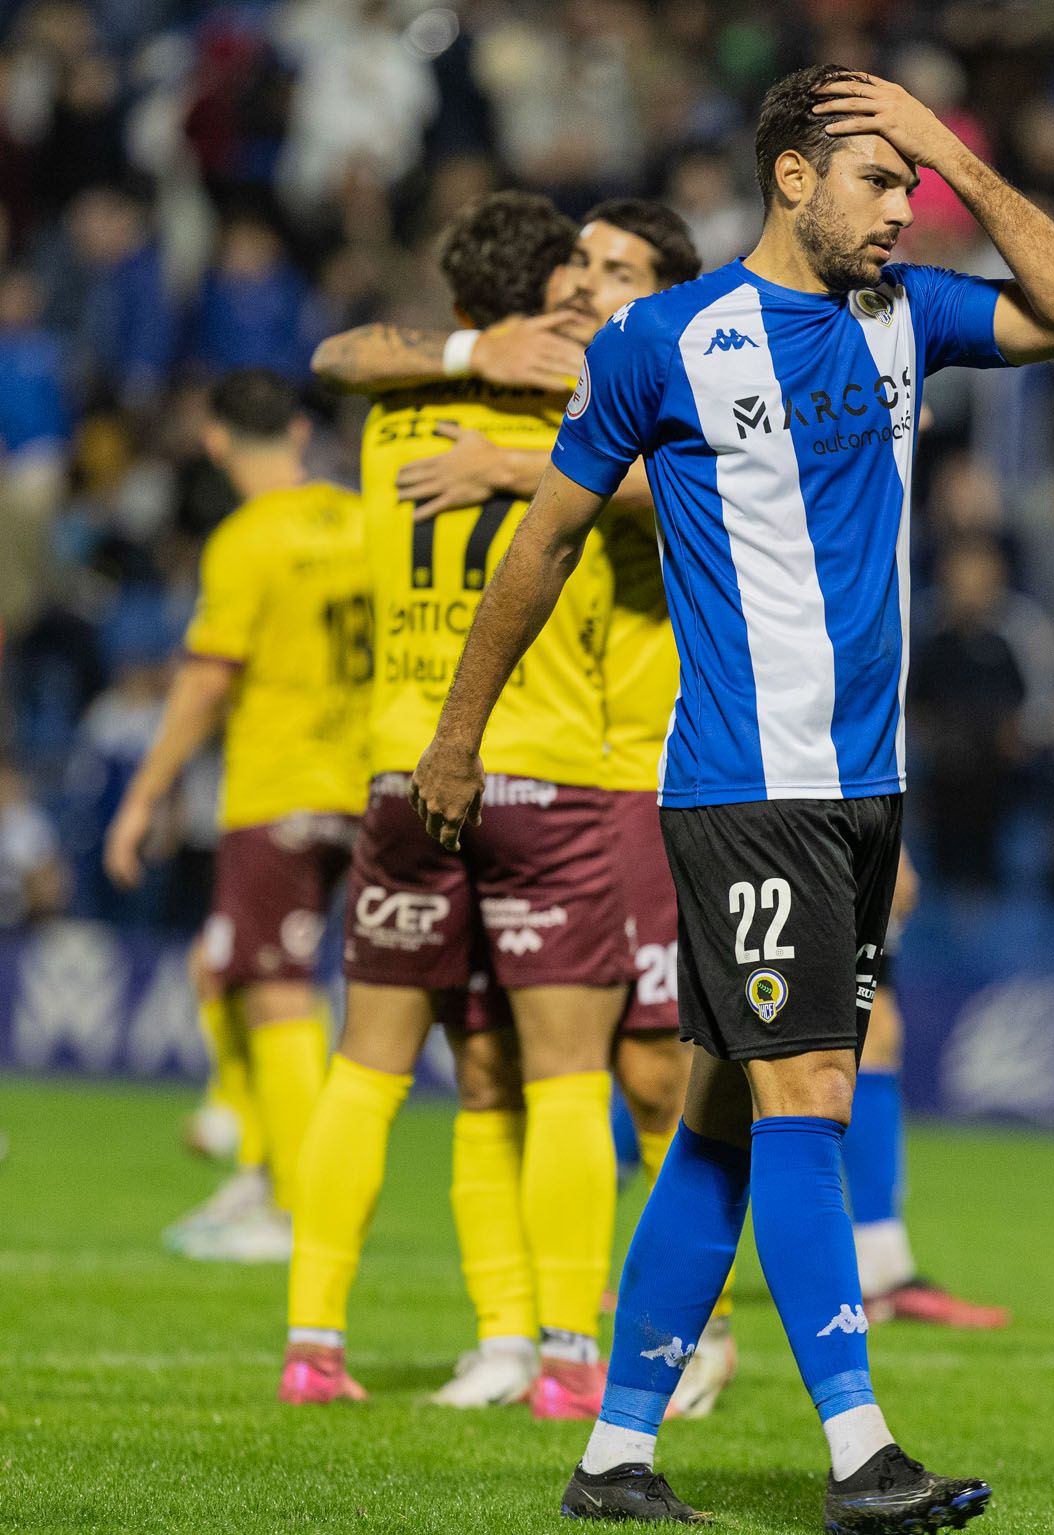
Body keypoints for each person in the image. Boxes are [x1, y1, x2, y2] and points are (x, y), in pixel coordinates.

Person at [412, 63, 1054, 1531]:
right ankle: (863, 1455)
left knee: (726, 1122)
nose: (901, 207)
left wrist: (958, 162)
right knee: (813, 1093)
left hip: (864, 789)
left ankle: (614, 1452)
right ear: (791, 176)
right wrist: (458, 736)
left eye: (911, 185)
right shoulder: (667, 342)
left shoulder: (908, 315)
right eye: (879, 179)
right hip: (748, 785)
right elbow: (538, 544)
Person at [322, 200, 740, 1415]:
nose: (582, 286)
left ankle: (691, 1325)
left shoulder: (687, 379)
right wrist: (473, 358)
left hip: (671, 769)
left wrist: (529, 471)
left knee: (658, 1073)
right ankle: (518, 1334)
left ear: (661, 294)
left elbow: (711, 497)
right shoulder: (542, 381)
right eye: (578, 264)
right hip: (562, 775)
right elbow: (342, 355)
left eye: (614, 270)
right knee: (498, 1059)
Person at [282, 192, 628, 1418]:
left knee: (375, 1069)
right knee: (567, 1077)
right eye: (576, 280)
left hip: (397, 769)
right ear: (547, 295)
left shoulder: (393, 405)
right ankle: (569, 1357)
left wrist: (465, 350)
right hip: (544, 766)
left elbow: (336, 352)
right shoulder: (585, 396)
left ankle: (314, 1339)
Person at [102, 370, 367, 1263]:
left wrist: (143, 798)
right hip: (371, 783)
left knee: (273, 988)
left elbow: (207, 681)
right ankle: (253, 1159)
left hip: (278, 787)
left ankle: (289, 1203)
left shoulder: (244, 541)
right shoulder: (368, 519)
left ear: (215, 441)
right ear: (298, 430)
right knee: (220, 967)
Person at [848, 848, 1008, 1328]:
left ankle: (882, 1263)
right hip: (821, 812)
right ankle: (880, 1269)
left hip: (837, 810)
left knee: (875, 1032)